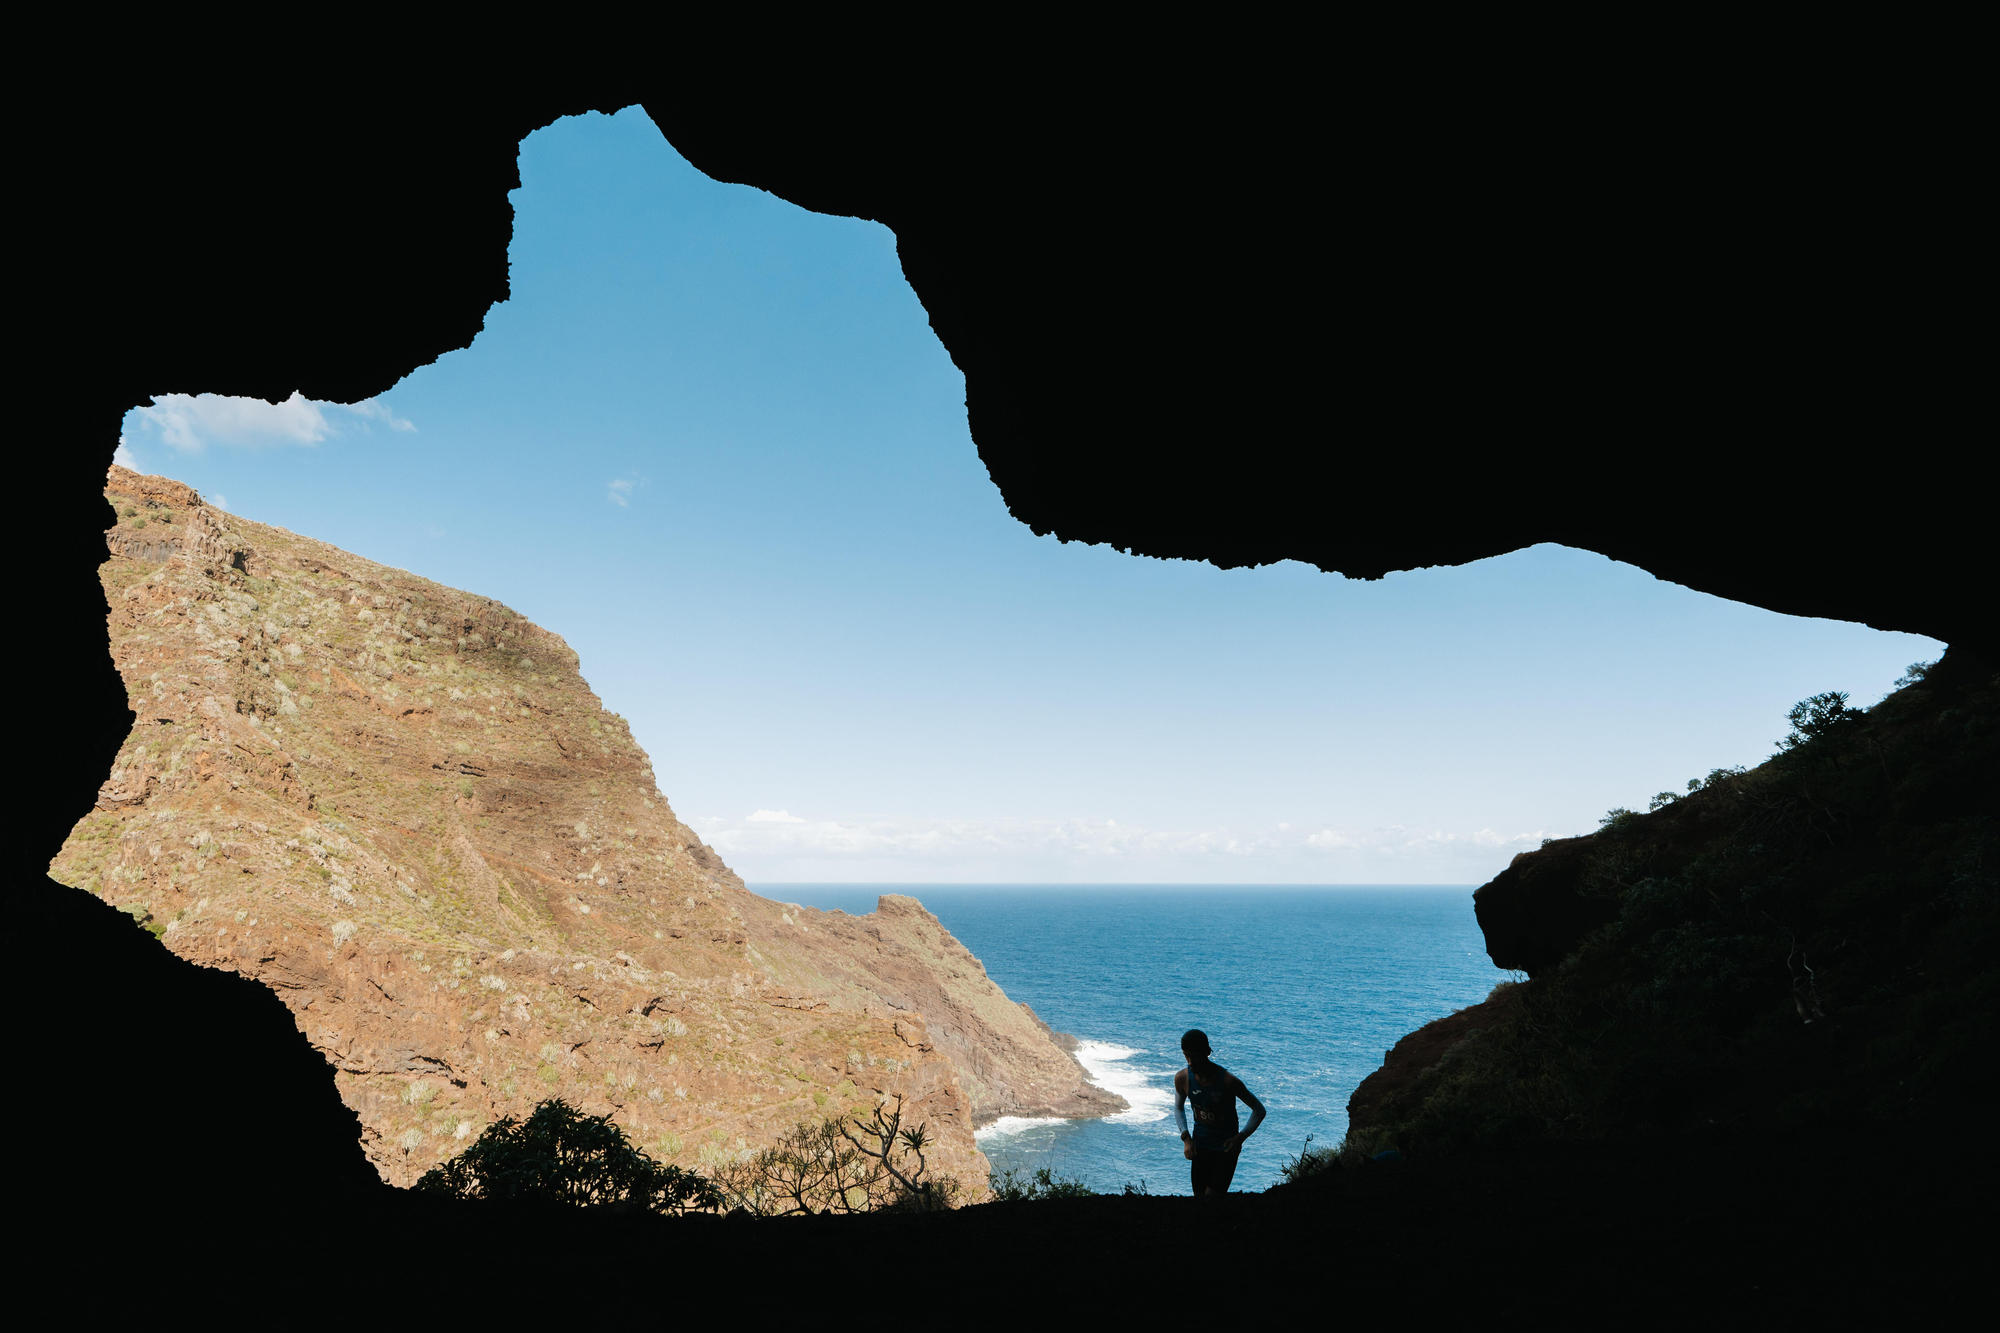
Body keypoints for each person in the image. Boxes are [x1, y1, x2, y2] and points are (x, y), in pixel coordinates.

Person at [1172, 1028, 1265, 1195]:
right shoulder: (1182, 1078)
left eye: (1195, 1056)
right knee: (1200, 1198)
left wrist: (1240, 1137)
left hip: (1226, 1150)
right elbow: (1178, 1108)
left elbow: (1259, 1110)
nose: (1191, 1062)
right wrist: (1186, 1138)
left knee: (1211, 1198)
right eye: (1186, 1056)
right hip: (1200, 1147)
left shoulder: (1229, 1081)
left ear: (1207, 1052)